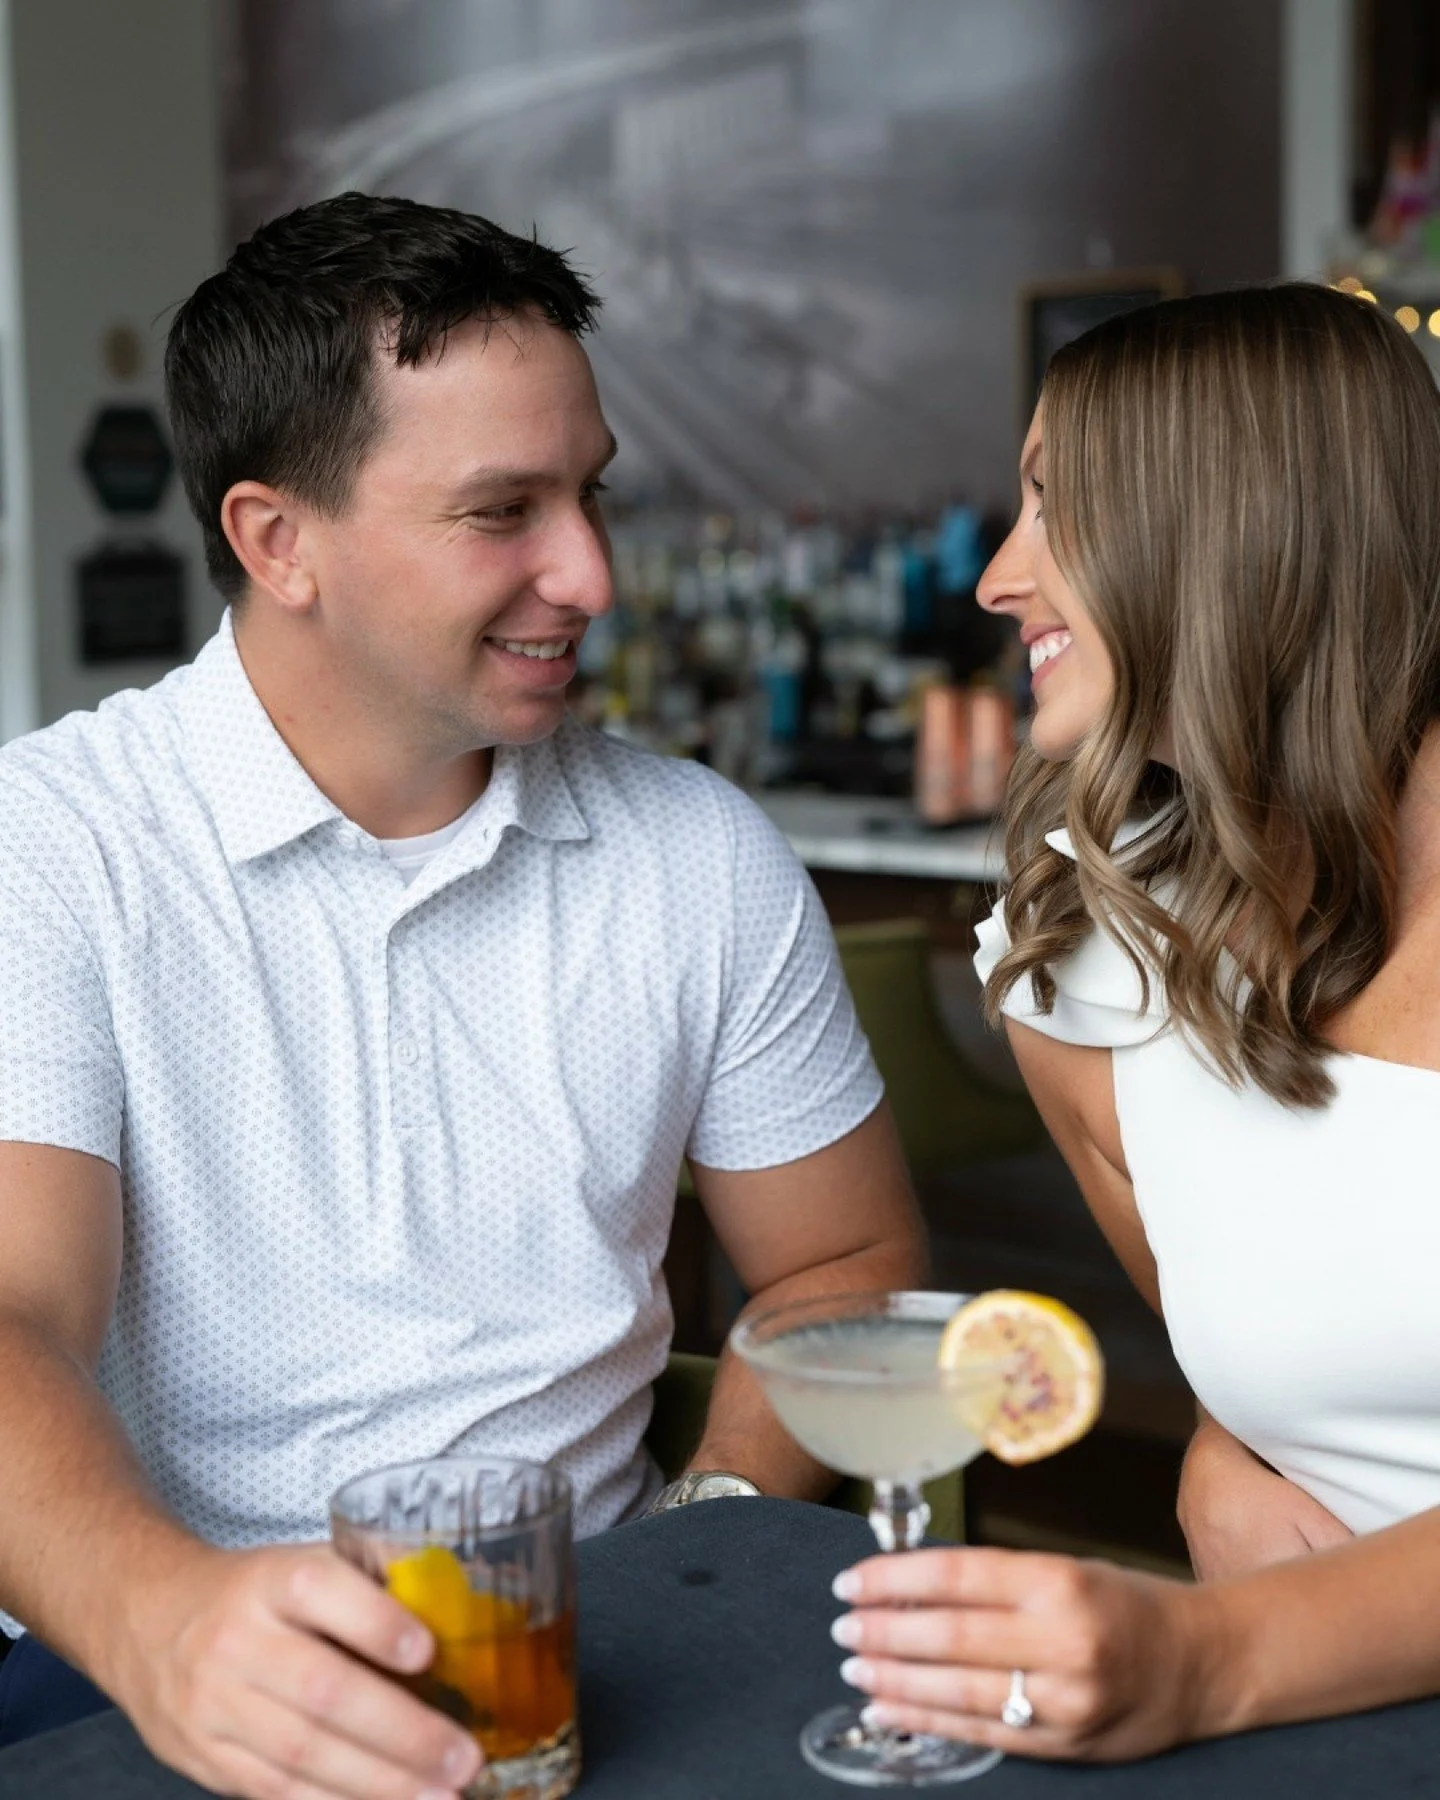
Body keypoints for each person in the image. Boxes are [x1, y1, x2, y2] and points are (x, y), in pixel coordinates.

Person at [0, 193, 925, 1796]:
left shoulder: (696, 853)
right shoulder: (52, 853)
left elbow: (844, 1259)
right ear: (277, 540)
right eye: (503, 511)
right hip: (152, 1655)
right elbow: (14, 1320)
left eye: (593, 494)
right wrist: (164, 1624)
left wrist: (706, 1540)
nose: (591, 573)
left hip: (601, 1638)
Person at [824, 284, 1440, 1760]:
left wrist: (1210, 1654)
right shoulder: (1087, 965)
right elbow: (1283, 1358)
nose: (996, 579)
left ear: (1244, 529)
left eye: (1058, 506)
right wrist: (1225, 1451)